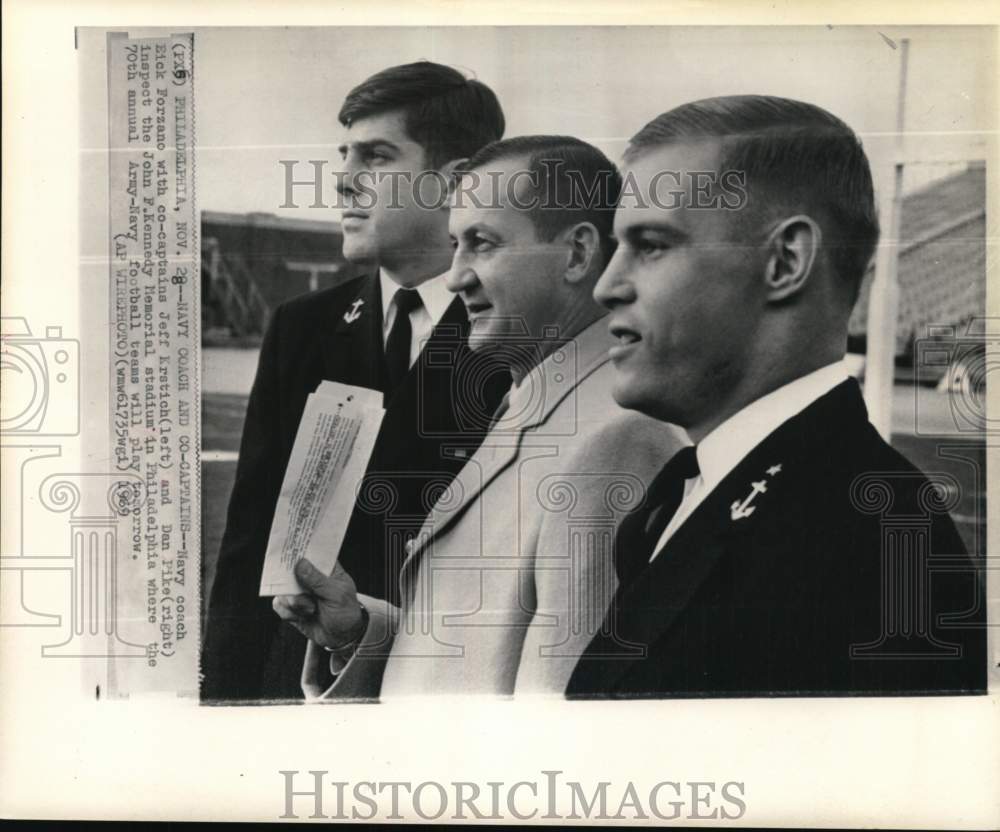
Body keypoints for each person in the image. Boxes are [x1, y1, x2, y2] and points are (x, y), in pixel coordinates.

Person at [566, 95, 986, 697]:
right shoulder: (690, 489)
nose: (607, 285)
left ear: (785, 261)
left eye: (652, 244)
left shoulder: (877, 550)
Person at [276, 136, 684, 698]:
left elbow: (560, 720)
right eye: (454, 244)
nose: (455, 275)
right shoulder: (539, 399)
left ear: (578, 254)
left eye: (482, 244)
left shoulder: (617, 437)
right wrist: (358, 632)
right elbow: (483, 652)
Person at [201, 62, 508, 701]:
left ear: (453, 183)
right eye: (344, 155)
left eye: (375, 157)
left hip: (444, 691)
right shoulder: (303, 326)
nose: (342, 180)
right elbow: (251, 540)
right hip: (301, 682)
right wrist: (224, 699)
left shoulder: (515, 330)